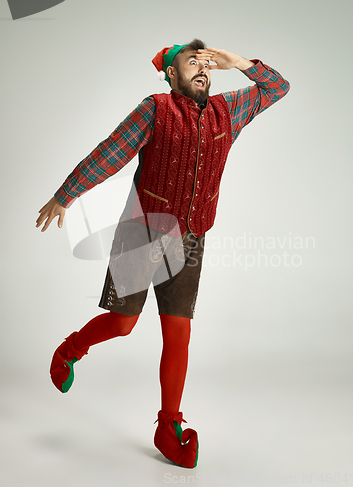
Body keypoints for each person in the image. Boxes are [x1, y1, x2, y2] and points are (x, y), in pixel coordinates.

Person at [36, 39, 290, 468]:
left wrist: (239, 63)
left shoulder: (230, 110)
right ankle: (71, 348)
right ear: (171, 76)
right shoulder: (155, 109)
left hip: (191, 237)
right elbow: (109, 154)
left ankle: (167, 425)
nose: (202, 69)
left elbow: (278, 87)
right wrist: (66, 194)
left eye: (206, 63)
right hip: (143, 233)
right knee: (123, 324)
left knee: (179, 335)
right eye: (191, 64)